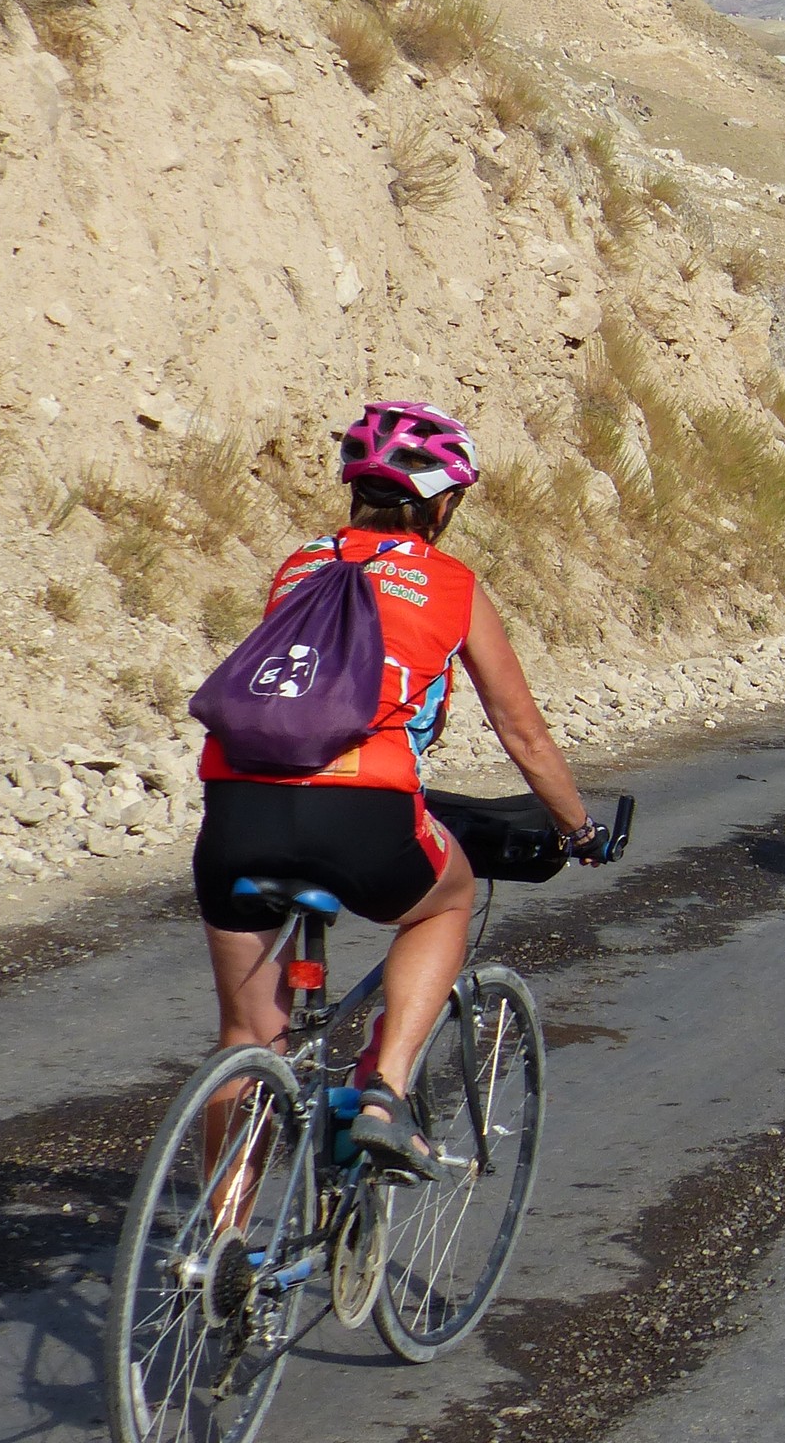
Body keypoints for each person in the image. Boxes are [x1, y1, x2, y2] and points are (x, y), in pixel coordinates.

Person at [193, 401, 608, 1177]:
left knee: (248, 1041)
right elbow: (524, 736)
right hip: (363, 808)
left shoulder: (300, 565)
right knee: (448, 896)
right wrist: (580, 829)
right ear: (443, 503)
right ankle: (383, 1092)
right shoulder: (451, 585)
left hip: (236, 807)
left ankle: (217, 1258)